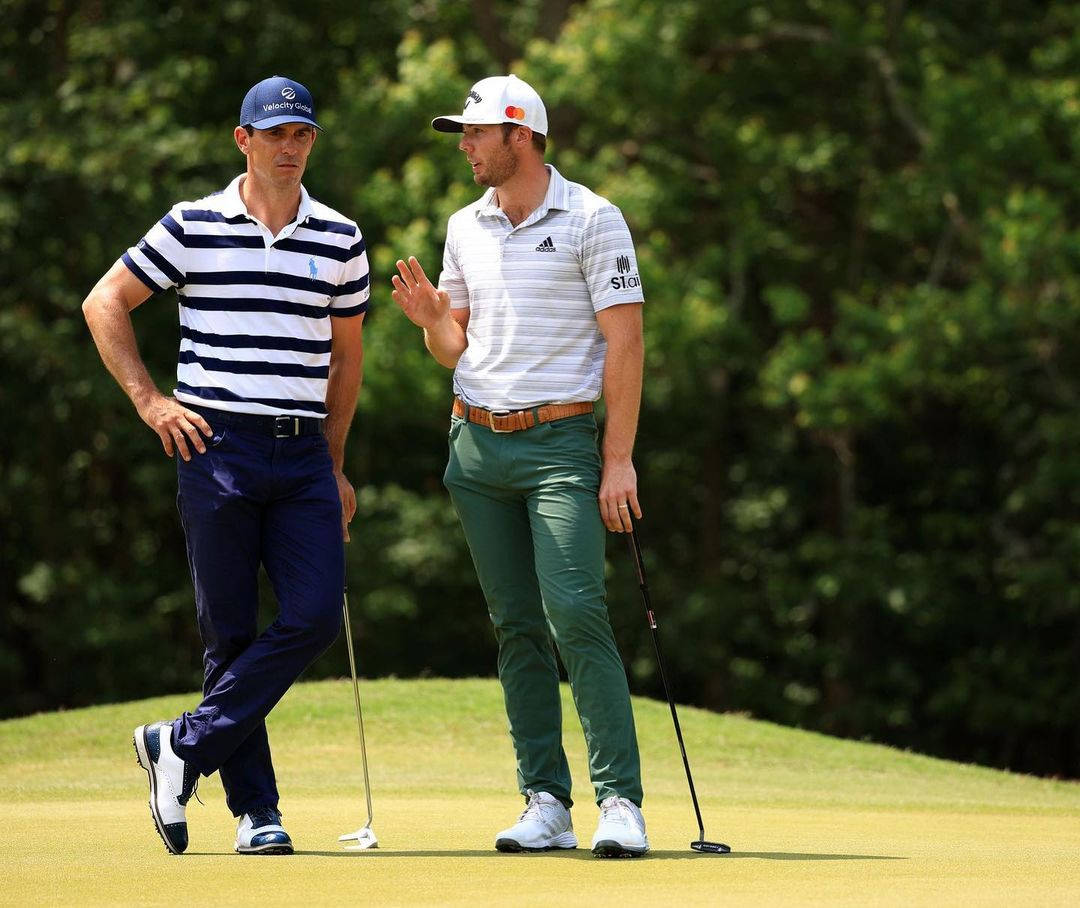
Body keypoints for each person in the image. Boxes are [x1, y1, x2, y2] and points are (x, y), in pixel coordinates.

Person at [81, 75, 369, 855]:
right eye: (275, 134)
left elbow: (346, 366)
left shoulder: (340, 236)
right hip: (215, 447)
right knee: (230, 634)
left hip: (304, 450)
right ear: (243, 140)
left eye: (302, 134)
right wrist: (150, 403)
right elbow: (104, 303)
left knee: (313, 613)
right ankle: (257, 813)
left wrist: (336, 467)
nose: (290, 146)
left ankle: (180, 745)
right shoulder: (192, 224)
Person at [391, 74, 649, 858]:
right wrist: (436, 322)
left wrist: (618, 460)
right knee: (515, 627)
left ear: (521, 135)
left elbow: (626, 342)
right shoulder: (463, 225)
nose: (464, 146)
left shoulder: (594, 219)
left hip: (561, 448)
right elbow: (453, 350)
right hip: (475, 447)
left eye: (475, 133)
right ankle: (545, 800)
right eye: (461, 135)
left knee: (576, 612)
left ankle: (620, 802)